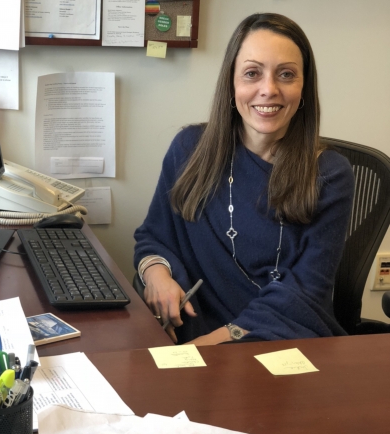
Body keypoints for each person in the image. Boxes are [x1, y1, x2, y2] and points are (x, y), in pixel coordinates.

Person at [134, 13, 354, 345]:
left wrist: (214, 343)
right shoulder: (189, 149)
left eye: (287, 74)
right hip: (191, 329)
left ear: (304, 87)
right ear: (232, 84)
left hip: (279, 339)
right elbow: (153, 236)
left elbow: (306, 291)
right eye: (252, 73)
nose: (269, 89)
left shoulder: (331, 174)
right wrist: (157, 276)